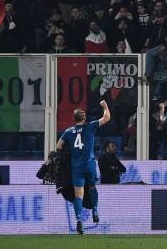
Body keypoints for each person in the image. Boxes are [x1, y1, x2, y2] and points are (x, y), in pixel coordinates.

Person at [56, 100, 111, 235]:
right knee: (92, 187)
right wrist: (105, 106)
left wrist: (70, 152)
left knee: (78, 195)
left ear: (74, 119)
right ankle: (95, 210)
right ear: (84, 118)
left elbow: (58, 146)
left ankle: (79, 220)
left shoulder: (68, 131)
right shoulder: (90, 126)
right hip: (89, 164)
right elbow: (107, 117)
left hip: (77, 166)